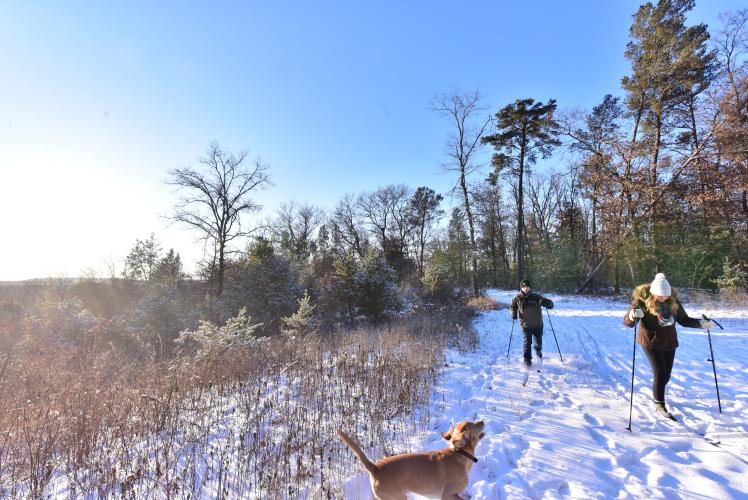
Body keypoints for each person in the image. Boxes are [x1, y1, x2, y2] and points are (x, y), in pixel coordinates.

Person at [623, 273, 714, 421]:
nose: (663, 298)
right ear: (653, 292)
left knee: (666, 375)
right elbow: (627, 323)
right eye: (660, 295)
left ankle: (657, 390)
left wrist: (701, 324)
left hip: (669, 342)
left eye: (666, 295)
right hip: (650, 342)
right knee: (660, 373)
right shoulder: (641, 303)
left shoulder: (673, 302)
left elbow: (684, 320)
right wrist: (633, 316)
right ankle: (659, 403)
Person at [510, 279, 554, 367]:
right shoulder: (517, 298)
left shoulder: (536, 296)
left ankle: (538, 349)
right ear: (521, 288)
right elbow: (512, 307)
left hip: (538, 323)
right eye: (524, 287)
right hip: (525, 324)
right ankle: (527, 358)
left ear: (530, 287)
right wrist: (513, 314)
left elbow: (550, 304)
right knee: (527, 341)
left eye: (527, 287)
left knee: (538, 341)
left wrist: (547, 303)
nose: (526, 288)